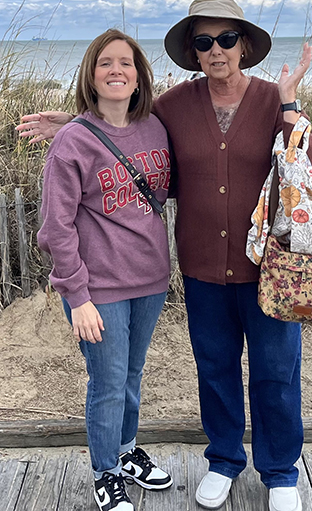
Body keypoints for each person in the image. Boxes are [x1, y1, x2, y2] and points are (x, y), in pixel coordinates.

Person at [17, 0, 312, 511]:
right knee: (215, 369)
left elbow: (306, 172)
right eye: (204, 42)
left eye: (226, 39)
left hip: (271, 269)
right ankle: (223, 460)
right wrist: (71, 123)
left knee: (276, 372)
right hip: (202, 269)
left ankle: (280, 472)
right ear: (193, 53)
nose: (216, 49)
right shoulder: (175, 107)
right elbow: (121, 125)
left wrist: (291, 109)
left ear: (244, 46)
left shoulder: (274, 100)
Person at [35, 29, 173, 511]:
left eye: (127, 63)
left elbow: (170, 187)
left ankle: (126, 448)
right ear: (90, 76)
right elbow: (57, 226)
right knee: (108, 382)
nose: (117, 71)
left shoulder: (156, 128)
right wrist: (77, 297)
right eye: (105, 63)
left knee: (132, 374)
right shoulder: (73, 142)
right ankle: (105, 471)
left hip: (150, 279)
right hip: (101, 288)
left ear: (140, 77)